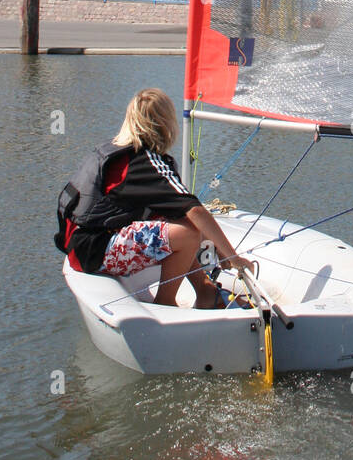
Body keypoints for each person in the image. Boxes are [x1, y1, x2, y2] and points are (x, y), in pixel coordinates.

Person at [55, 88, 253, 309]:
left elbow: (183, 211)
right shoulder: (146, 162)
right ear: (164, 124)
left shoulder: (119, 151)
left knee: (183, 223)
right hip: (94, 251)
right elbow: (195, 210)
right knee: (187, 233)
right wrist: (234, 258)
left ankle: (205, 290)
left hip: (81, 245)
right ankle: (166, 302)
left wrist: (217, 247)